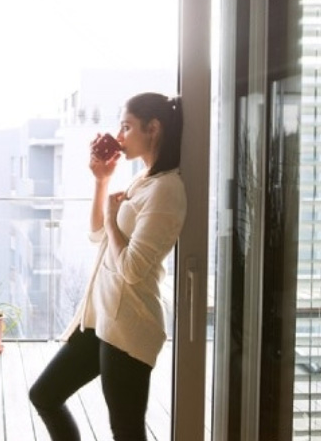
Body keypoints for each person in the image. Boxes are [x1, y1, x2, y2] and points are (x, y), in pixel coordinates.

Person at [29, 92, 187, 441]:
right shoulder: (143, 179)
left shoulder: (166, 190)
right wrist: (102, 181)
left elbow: (131, 269)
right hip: (100, 317)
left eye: (127, 126)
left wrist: (114, 220)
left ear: (154, 129)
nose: (120, 135)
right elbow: (98, 233)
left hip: (130, 325)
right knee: (44, 394)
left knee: (126, 431)